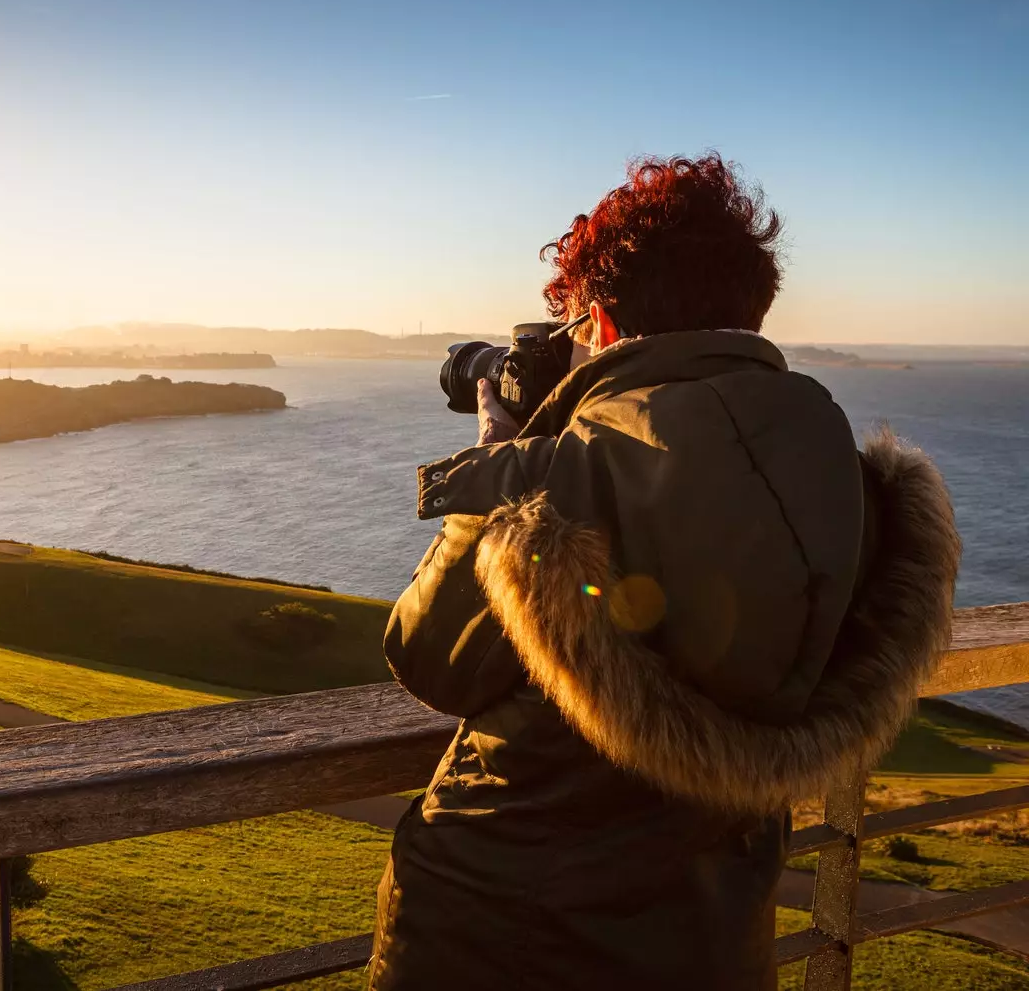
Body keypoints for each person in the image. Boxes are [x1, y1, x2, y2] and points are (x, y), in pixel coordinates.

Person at [367, 154, 960, 989]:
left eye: (572, 326)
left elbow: (425, 655)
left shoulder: (563, 477)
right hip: (713, 939)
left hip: (496, 934)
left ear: (602, 324)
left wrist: (503, 462)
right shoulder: (848, 481)